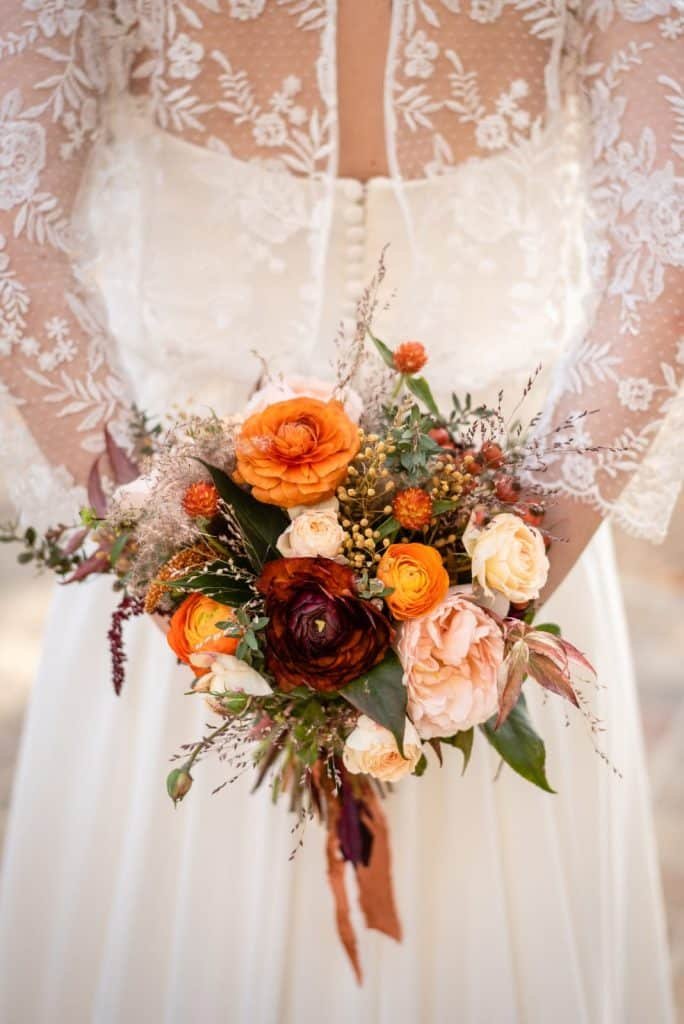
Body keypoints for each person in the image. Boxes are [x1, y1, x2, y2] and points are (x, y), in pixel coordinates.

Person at [0, 2, 680, 1020]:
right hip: (492, 605)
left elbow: (16, 238)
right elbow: (664, 249)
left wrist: (181, 559)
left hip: (198, 621)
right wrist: (498, 577)